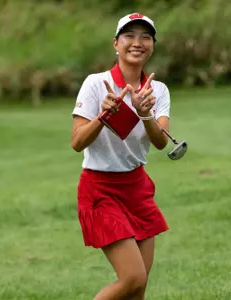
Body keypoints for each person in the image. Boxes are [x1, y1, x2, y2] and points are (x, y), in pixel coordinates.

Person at [71, 12, 172, 300]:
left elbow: (161, 142)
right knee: (132, 278)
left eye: (145, 37)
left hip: (137, 188)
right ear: (116, 43)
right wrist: (103, 116)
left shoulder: (158, 91)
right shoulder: (95, 84)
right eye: (129, 36)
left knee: (138, 290)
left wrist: (145, 113)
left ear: (152, 45)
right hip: (100, 189)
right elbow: (77, 142)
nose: (137, 43)